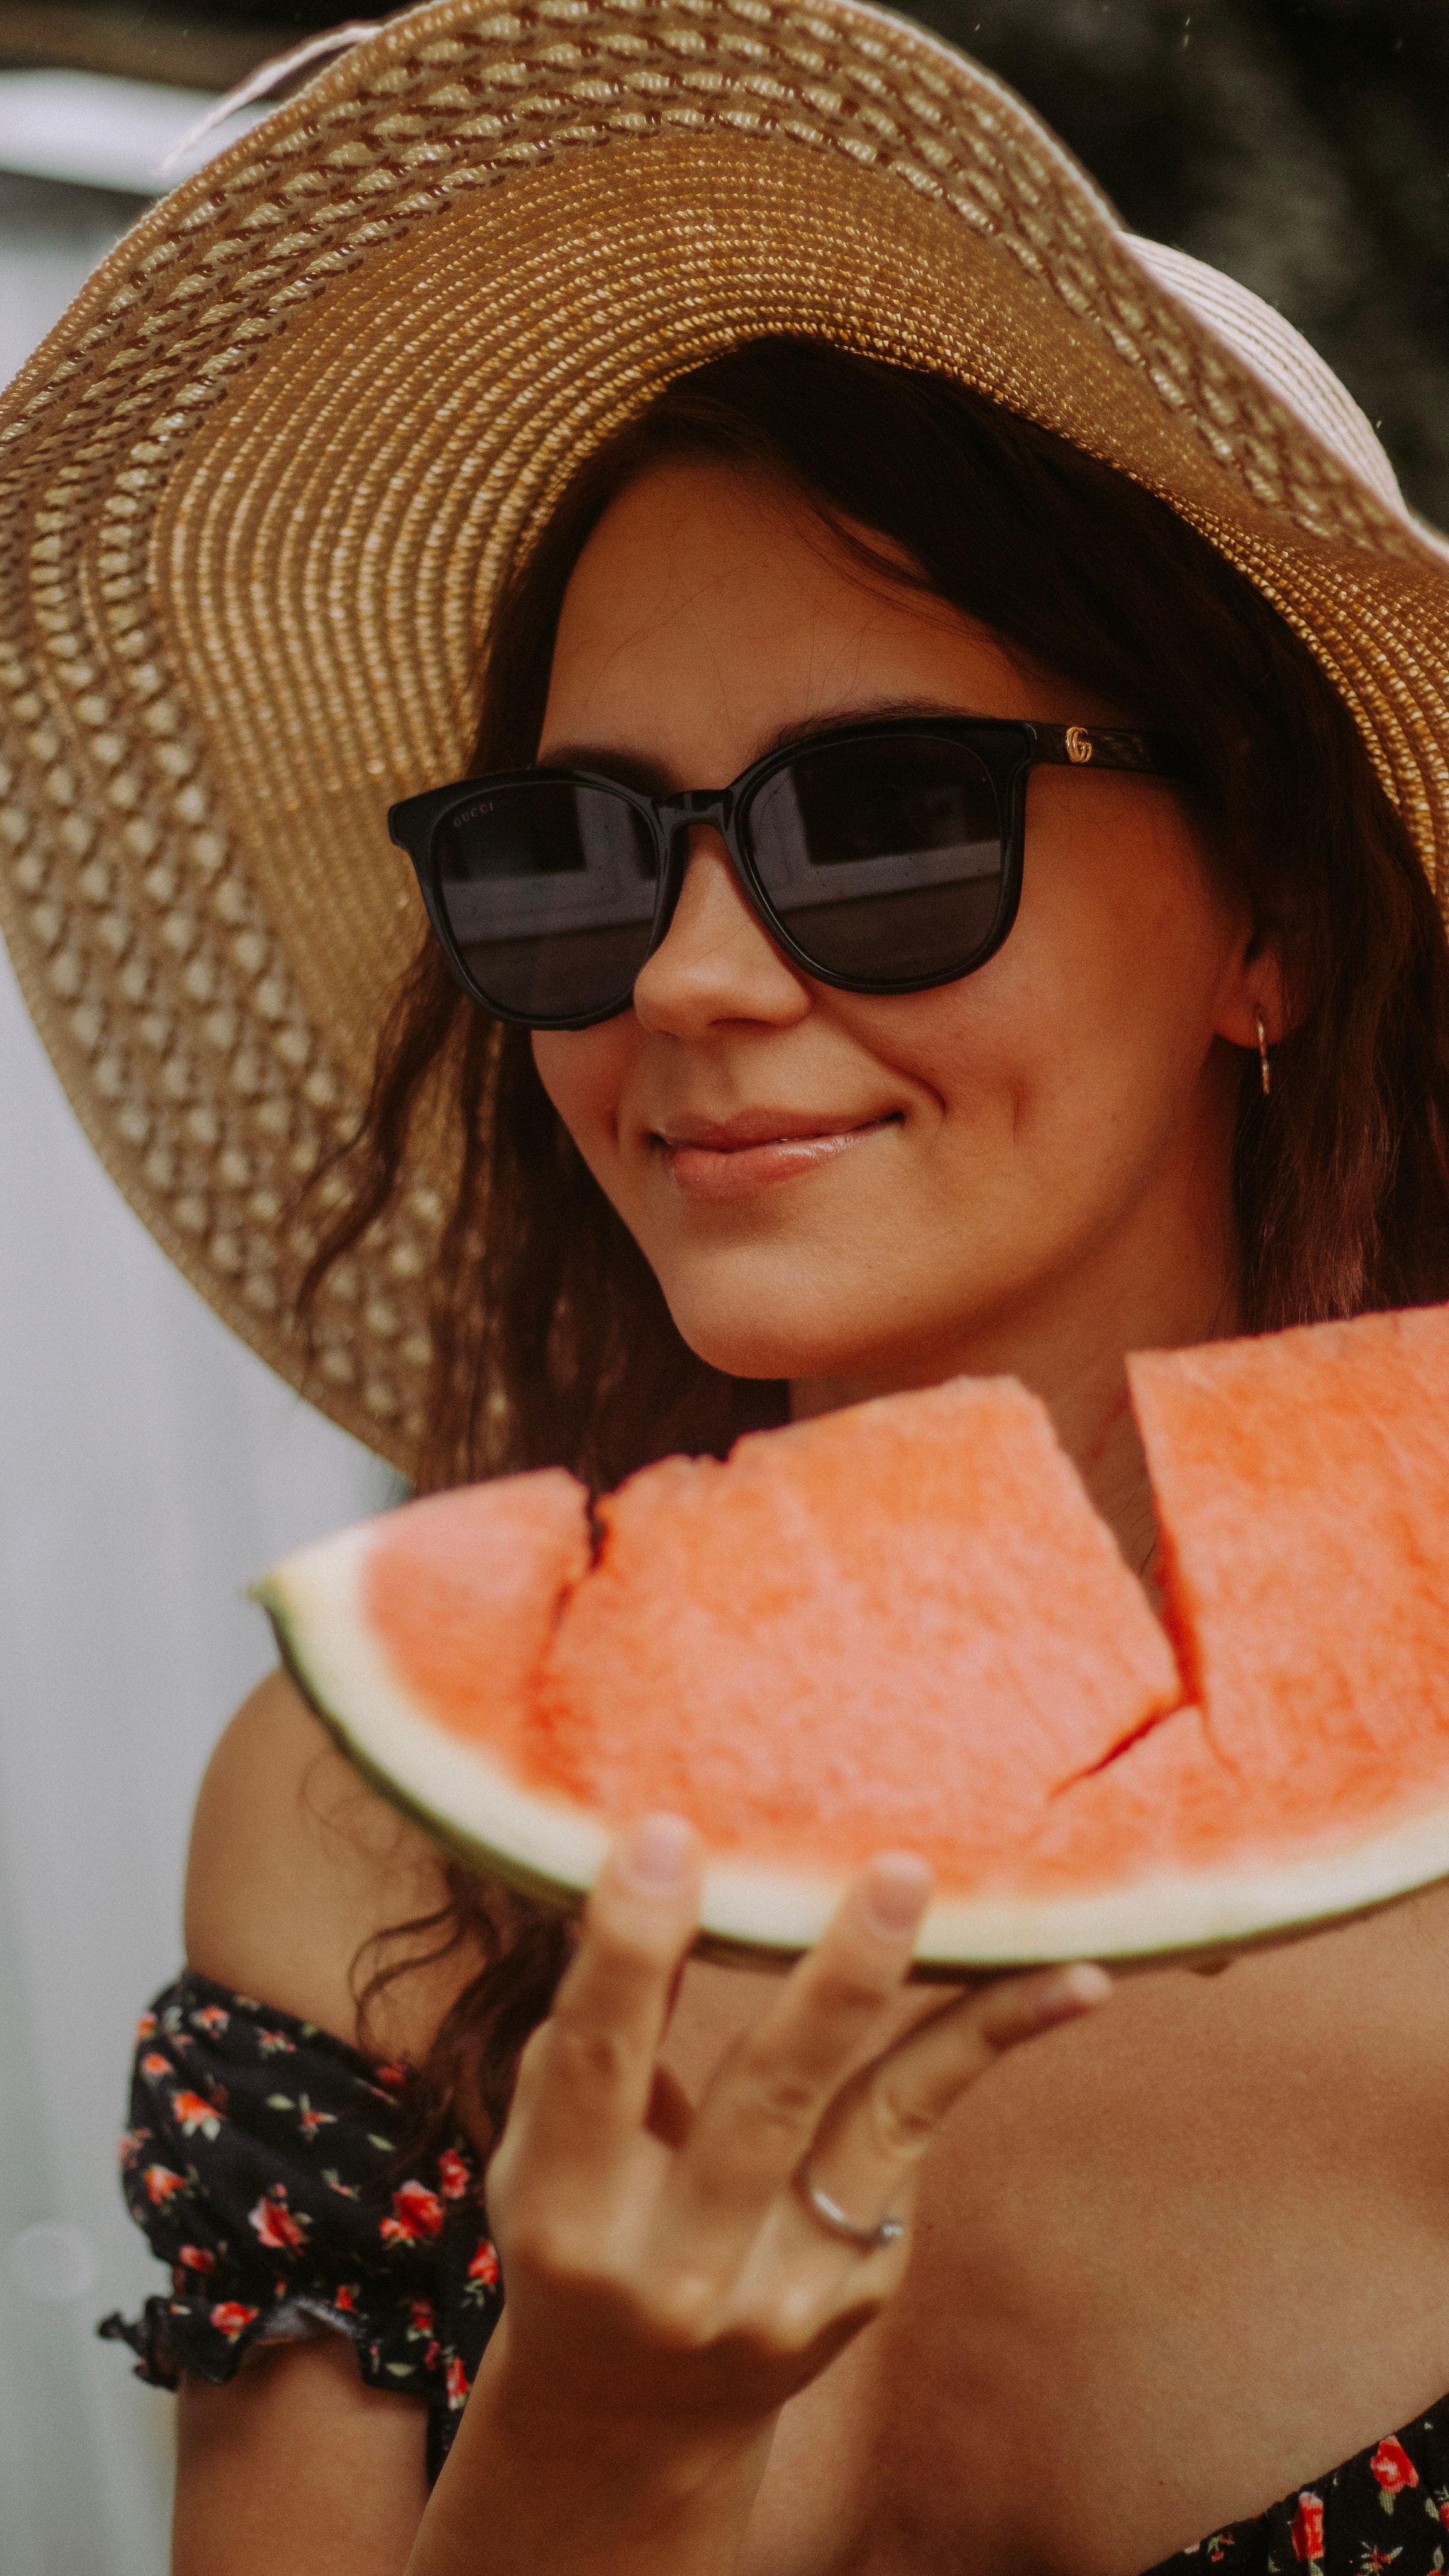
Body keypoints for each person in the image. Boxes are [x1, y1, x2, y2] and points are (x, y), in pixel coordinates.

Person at [4, 3, 1449, 2569]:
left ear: (1281, 923)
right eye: (571, 848)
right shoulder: (355, 1835)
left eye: (887, 819)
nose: (685, 976)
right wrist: (587, 2458)